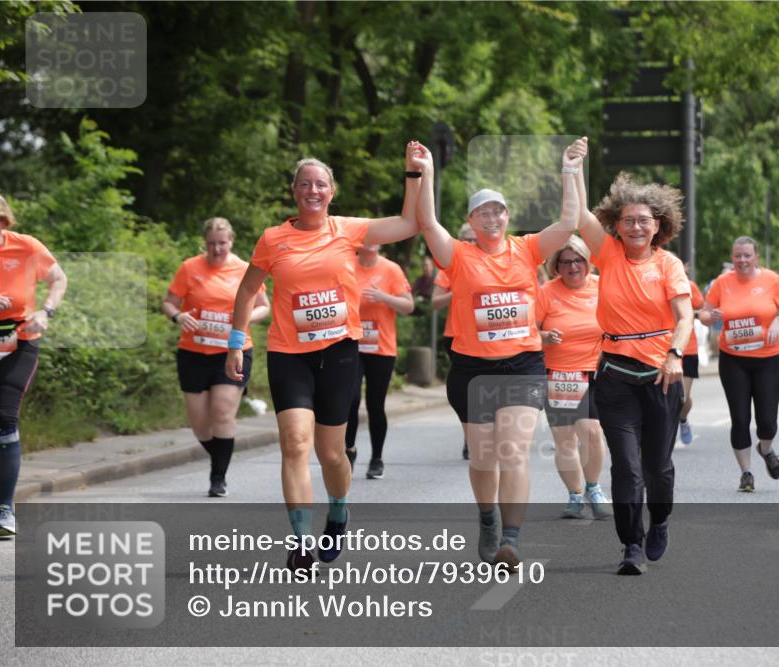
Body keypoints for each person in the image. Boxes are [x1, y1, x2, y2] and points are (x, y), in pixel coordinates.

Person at [225, 146, 423, 571]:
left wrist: (412, 174)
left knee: (332, 453)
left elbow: (409, 224)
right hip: (288, 353)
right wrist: (236, 341)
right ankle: (300, 543)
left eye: (320, 184)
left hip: (338, 352)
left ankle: (338, 510)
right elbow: (246, 290)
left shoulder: (347, 230)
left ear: (331, 192)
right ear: (294, 192)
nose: (312, 190)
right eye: (305, 184)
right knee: (295, 444)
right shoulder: (272, 239)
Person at [412, 141, 580, 570]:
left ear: (507, 217)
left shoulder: (527, 249)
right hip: (471, 368)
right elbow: (427, 221)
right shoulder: (459, 256)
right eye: (483, 211)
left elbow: (568, 222)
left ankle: (511, 538)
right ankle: (487, 519)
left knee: (513, 452)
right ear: (470, 221)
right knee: (484, 457)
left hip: (522, 364)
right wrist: (426, 170)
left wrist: (568, 170)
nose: (492, 216)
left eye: (498, 210)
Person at [572, 141, 693, 575]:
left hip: (662, 374)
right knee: (626, 464)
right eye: (628, 221)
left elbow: (685, 315)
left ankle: (659, 520)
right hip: (616, 374)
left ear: (658, 225)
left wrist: (675, 354)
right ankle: (631, 546)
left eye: (644, 221)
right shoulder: (607, 253)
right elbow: (579, 215)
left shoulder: (668, 265)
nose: (636, 227)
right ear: (616, 226)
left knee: (658, 466)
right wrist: (573, 169)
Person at [162, 217, 270, 498]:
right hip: (194, 353)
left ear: (231, 241)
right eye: (211, 244)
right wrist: (178, 316)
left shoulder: (245, 269)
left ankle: (218, 477)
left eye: (222, 243)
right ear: (204, 243)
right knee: (199, 423)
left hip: (233, 350)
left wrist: (244, 320)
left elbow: (263, 307)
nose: (217, 249)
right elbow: (169, 302)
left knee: (222, 412)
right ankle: (219, 455)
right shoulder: (190, 268)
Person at [0, 193, 68, 538]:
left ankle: (4, 509)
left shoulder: (26, 247)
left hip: (19, 339)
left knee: (4, 416)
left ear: (3, 221)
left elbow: (58, 279)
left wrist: (46, 311)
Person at [699, 237, 779, 493]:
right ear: (732, 258)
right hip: (733, 359)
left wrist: (778, 321)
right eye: (737, 256)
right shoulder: (722, 283)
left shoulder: (772, 280)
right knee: (740, 418)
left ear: (756, 257)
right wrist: (711, 317)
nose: (741, 260)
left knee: (767, 421)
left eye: (746, 256)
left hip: (769, 359)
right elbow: (704, 314)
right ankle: (746, 473)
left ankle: (766, 448)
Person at [535, 236, 611, 520]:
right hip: (557, 374)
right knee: (565, 438)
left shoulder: (602, 285)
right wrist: (544, 336)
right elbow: (530, 331)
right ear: (557, 265)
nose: (573, 267)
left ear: (587, 261)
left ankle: (593, 488)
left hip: (594, 371)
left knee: (591, 430)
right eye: (566, 262)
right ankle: (575, 495)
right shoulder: (547, 292)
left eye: (578, 260)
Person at [343, 242, 413, 479]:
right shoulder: (346, 266)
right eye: (365, 239)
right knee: (350, 400)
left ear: (380, 244)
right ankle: (349, 449)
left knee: (375, 404)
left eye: (374, 238)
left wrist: (383, 297)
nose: (369, 243)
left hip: (381, 348)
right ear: (358, 244)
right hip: (352, 344)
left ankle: (376, 458)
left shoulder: (391, 269)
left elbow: (408, 305)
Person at [431, 223, 477, 461]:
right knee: (468, 392)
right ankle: (470, 437)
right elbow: (435, 302)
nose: (470, 242)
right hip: (456, 335)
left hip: (486, 337)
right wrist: (458, 289)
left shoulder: (487, 261)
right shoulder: (450, 266)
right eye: (466, 239)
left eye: (474, 238)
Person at [678, 268, 705, 444]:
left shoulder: (689, 286)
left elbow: (702, 310)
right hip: (661, 348)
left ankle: (683, 420)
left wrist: (690, 314)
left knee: (683, 397)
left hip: (688, 348)